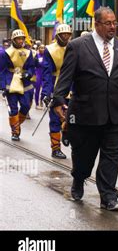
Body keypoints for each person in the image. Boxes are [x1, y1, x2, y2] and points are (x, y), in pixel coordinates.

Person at [52, 7, 118, 211]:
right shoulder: (78, 46)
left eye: (114, 23)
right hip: (86, 115)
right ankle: (79, 178)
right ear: (97, 24)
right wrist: (58, 100)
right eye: (108, 23)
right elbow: (66, 77)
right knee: (84, 157)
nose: (112, 27)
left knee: (112, 156)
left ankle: (108, 196)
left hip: (117, 115)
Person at [41, 24, 73, 159]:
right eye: (63, 35)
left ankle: (66, 133)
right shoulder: (49, 50)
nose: (65, 37)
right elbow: (47, 73)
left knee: (72, 115)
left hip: (72, 85)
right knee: (55, 118)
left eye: (68, 34)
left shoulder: (75, 47)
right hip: (56, 85)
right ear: (57, 36)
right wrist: (46, 93)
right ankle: (55, 148)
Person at [0, 30, 35, 141]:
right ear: (13, 40)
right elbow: (2, 70)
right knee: (13, 108)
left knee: (26, 106)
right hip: (11, 82)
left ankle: (16, 124)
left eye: (22, 39)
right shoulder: (5, 53)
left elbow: (31, 67)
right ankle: (15, 132)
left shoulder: (29, 52)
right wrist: (2, 86)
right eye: (18, 39)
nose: (20, 41)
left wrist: (28, 74)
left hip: (25, 83)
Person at [34, 44, 46, 109]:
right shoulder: (36, 55)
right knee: (37, 89)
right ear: (38, 49)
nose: (42, 49)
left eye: (43, 48)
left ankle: (41, 100)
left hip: (44, 74)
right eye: (41, 48)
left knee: (44, 89)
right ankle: (36, 103)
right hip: (38, 73)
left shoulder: (46, 56)